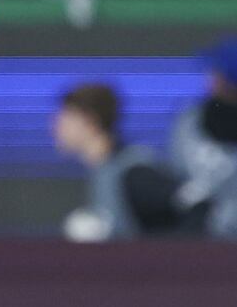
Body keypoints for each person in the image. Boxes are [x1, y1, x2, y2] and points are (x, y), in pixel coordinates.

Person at [53, 83, 188, 241]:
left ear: (89, 121)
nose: (56, 127)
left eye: (66, 117)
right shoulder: (100, 172)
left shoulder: (135, 173)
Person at [169, 35, 237, 238]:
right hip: (198, 241)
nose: (211, 79)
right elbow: (178, 181)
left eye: (218, 74)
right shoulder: (190, 122)